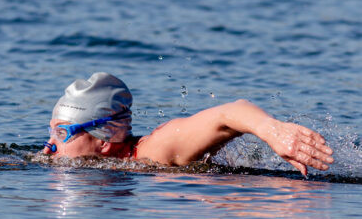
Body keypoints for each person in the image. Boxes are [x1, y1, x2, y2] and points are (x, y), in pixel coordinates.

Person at [43, 72, 334, 176]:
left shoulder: (156, 150)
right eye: (50, 131)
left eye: (61, 133)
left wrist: (275, 132)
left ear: (104, 140)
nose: (48, 147)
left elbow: (231, 112)